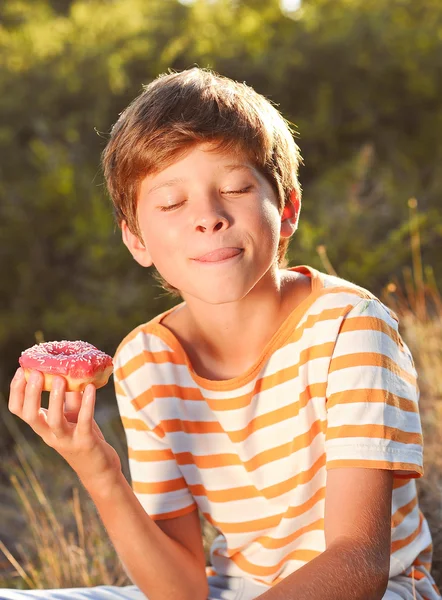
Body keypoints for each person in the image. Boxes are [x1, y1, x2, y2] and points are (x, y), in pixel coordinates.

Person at [2, 67, 441, 600]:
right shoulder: (145, 360)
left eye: (234, 188)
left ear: (287, 210)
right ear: (136, 240)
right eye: (171, 203)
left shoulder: (350, 328)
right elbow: (181, 590)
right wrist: (97, 469)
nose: (208, 217)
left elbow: (358, 563)